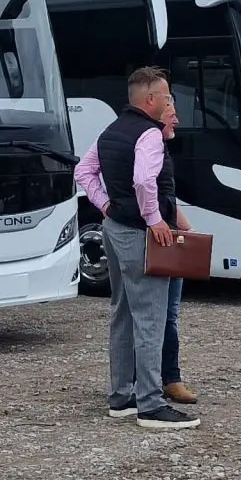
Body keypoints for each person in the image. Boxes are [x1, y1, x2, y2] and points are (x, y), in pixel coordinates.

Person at [74, 67, 196, 431]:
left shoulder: (111, 131)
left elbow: (84, 172)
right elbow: (144, 180)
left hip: (113, 229)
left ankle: (122, 397)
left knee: (123, 313)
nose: (170, 100)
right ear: (150, 100)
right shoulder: (149, 135)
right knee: (151, 317)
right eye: (167, 96)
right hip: (141, 234)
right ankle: (150, 404)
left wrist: (105, 205)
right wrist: (155, 218)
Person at [156, 105, 198, 408]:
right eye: (172, 113)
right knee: (160, 317)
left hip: (172, 237)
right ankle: (168, 379)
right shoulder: (148, 149)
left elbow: (165, 197)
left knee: (168, 315)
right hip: (160, 240)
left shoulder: (161, 151)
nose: (178, 120)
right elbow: (146, 193)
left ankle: (168, 377)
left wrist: (186, 227)